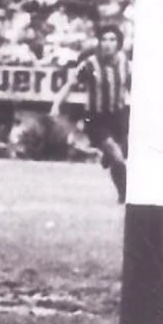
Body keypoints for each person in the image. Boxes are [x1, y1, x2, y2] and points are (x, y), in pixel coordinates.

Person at [51, 24, 131, 203]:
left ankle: (107, 156)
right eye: (104, 39)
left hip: (119, 117)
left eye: (112, 40)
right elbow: (70, 84)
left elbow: (133, 86)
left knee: (122, 153)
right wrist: (56, 104)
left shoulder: (125, 63)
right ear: (99, 42)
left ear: (118, 43)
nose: (108, 44)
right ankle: (124, 195)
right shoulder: (89, 64)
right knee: (118, 159)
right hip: (96, 119)